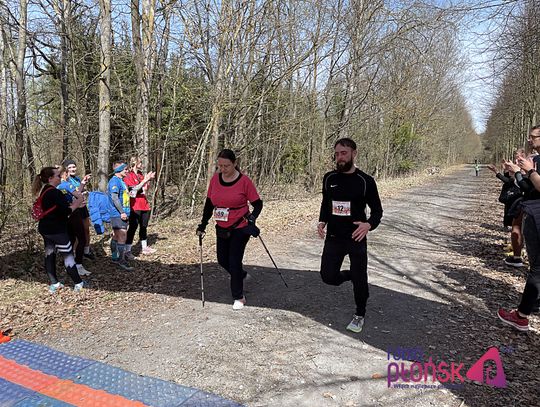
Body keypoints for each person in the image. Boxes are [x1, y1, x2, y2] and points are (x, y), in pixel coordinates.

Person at [318, 138, 383, 333]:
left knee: (360, 279)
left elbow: (377, 211)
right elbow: (326, 203)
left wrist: (368, 225)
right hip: (334, 237)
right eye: (337, 154)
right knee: (328, 276)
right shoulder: (329, 178)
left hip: (356, 237)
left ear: (354, 154)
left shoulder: (365, 181)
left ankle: (359, 314)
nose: (340, 157)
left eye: (344, 153)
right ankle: (350, 275)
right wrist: (322, 221)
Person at [196, 149, 263, 310]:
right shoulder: (215, 179)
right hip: (221, 226)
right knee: (222, 260)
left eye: (226, 166)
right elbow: (209, 204)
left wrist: (252, 218)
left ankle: (239, 297)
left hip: (240, 226)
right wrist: (203, 224)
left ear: (234, 164)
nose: (223, 169)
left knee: (234, 261)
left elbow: (258, 204)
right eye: (220, 166)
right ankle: (241, 274)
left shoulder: (244, 181)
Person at [498, 125, 540, 331]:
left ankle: (522, 315)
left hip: (536, 213)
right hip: (531, 209)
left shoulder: (535, 162)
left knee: (537, 268)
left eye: (533, 137)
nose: (530, 140)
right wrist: (516, 173)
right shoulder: (537, 159)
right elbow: (527, 189)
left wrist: (528, 171)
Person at [31, 166, 87, 292]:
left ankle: (54, 283)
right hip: (57, 230)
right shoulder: (55, 193)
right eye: (58, 175)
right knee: (67, 255)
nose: (60, 177)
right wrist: (77, 203)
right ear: (50, 178)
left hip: (45, 229)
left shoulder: (44, 190)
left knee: (50, 254)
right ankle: (78, 283)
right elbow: (66, 212)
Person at [487, 152, 524, 267]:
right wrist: (505, 170)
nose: (516, 161)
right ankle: (516, 249)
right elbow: (509, 179)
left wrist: (497, 172)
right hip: (511, 203)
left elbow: (510, 181)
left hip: (519, 202)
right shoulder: (518, 171)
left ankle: (518, 253)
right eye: (515, 158)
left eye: (519, 158)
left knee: (518, 228)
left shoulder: (525, 171)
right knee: (514, 227)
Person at [57, 166, 92, 276]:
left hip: (63, 215)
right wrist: (80, 200)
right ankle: (78, 265)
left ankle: (69, 264)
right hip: (73, 214)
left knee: (71, 239)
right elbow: (78, 195)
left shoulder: (55, 186)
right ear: (64, 174)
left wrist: (82, 184)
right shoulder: (67, 184)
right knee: (81, 239)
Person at [124, 157, 156, 258]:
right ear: (134, 163)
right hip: (134, 205)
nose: (141, 164)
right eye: (140, 162)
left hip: (144, 204)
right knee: (133, 227)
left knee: (144, 226)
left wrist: (148, 180)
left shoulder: (140, 174)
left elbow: (144, 189)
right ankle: (127, 250)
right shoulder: (128, 175)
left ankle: (144, 247)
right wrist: (145, 181)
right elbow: (132, 191)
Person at [62, 159, 94, 260]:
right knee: (77, 233)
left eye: (74, 167)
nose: (73, 169)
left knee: (86, 230)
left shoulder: (77, 179)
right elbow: (74, 194)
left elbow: (80, 191)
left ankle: (86, 251)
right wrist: (82, 187)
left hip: (83, 206)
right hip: (75, 208)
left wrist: (84, 186)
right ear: (66, 169)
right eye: (70, 167)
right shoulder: (65, 180)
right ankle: (76, 253)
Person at [107, 161, 133, 271]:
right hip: (117, 214)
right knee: (122, 236)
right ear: (119, 170)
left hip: (124, 213)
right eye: (125, 169)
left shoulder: (121, 181)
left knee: (116, 236)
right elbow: (114, 198)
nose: (127, 171)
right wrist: (122, 212)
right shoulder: (114, 181)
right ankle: (121, 260)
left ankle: (114, 257)